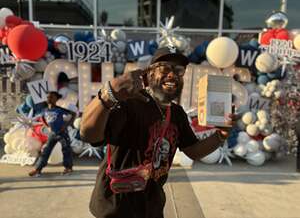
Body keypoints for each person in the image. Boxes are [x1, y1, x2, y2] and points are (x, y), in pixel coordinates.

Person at [80, 47, 235, 218]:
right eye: (165, 68)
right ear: (149, 75)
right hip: (115, 206)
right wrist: (110, 94)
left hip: (152, 207)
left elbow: (193, 151)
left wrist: (221, 135)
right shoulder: (129, 103)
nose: (172, 74)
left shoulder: (177, 113)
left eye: (178, 71)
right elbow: (89, 135)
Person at [29, 91, 76, 177]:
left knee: (66, 150)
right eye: (47, 97)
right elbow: (42, 118)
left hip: (62, 133)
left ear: (56, 99)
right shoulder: (45, 110)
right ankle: (38, 169)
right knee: (45, 151)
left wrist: (66, 125)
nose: (49, 99)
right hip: (52, 134)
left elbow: (73, 114)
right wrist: (47, 126)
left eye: (51, 97)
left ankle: (68, 168)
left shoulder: (60, 109)